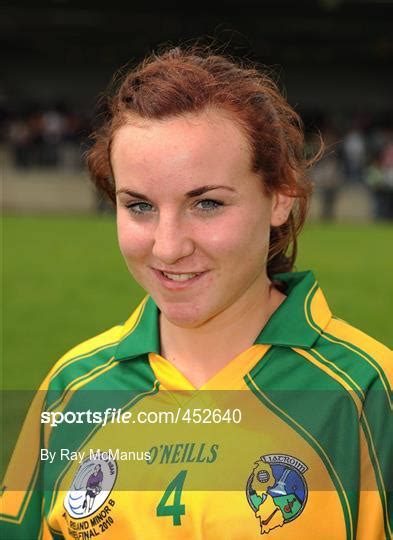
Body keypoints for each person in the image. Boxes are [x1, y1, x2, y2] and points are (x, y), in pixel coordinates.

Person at [1, 46, 391, 540]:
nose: (167, 247)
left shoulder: (367, 393)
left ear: (280, 197)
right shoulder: (73, 388)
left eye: (206, 203)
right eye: (139, 206)